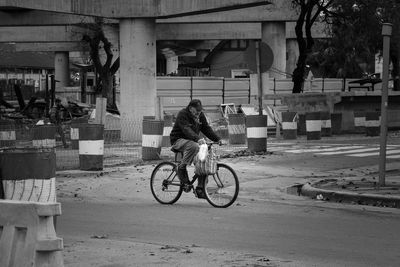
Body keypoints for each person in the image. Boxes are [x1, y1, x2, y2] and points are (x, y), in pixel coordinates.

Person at [170, 99, 222, 195]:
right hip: (178, 140)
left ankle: (200, 188)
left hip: (192, 141)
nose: (199, 113)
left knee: (203, 161)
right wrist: (197, 139)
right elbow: (186, 129)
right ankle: (181, 168)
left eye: (200, 110)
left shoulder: (200, 115)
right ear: (190, 108)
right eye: (197, 111)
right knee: (193, 145)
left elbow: (206, 128)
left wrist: (217, 139)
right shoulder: (183, 114)